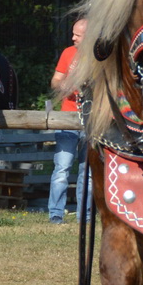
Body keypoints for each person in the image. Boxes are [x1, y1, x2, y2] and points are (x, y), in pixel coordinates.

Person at [48, 19, 86, 225]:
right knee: (62, 168)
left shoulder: (100, 55)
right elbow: (56, 79)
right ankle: (56, 214)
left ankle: (85, 216)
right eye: (73, 34)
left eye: (77, 35)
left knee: (86, 171)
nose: (73, 38)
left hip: (92, 119)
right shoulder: (68, 53)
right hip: (67, 117)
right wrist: (65, 86)